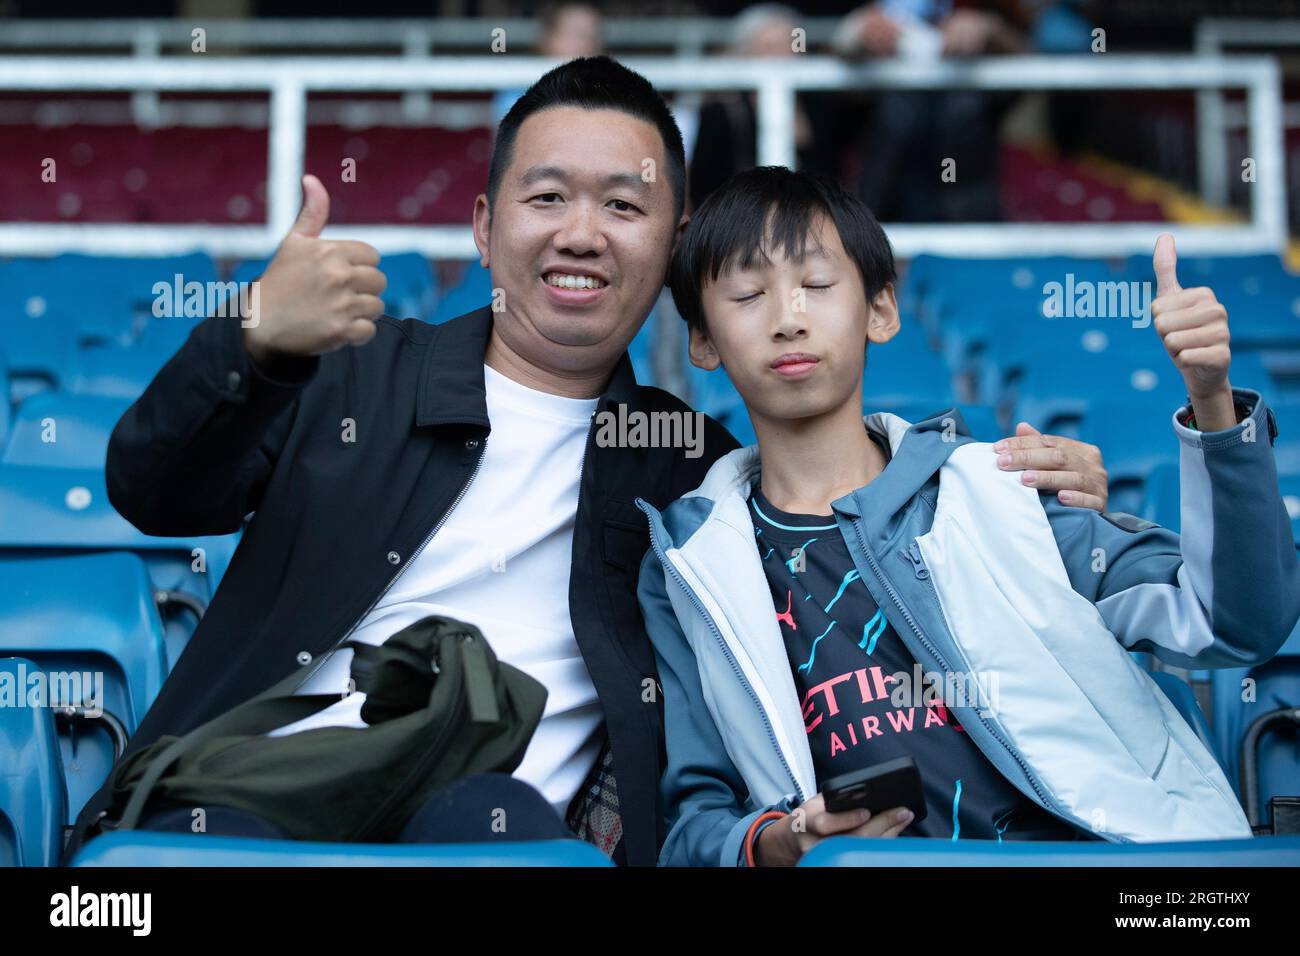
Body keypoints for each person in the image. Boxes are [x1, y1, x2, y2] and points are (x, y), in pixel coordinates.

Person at [65, 57, 1112, 865]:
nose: (581, 233)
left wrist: (1016, 497)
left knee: (494, 821)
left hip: (498, 828)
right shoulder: (349, 375)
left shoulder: (689, 468)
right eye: (545, 197)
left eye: (623, 205)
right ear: (482, 228)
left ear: (672, 249)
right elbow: (151, 488)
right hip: (261, 799)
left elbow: (848, 536)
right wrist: (255, 335)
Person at [636, 165, 1300, 866]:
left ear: (881, 310)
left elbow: (1234, 621)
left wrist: (1214, 405)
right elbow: (695, 823)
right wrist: (784, 840)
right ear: (702, 342)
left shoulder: (1002, 490)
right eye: (747, 295)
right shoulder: (690, 566)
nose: (788, 318)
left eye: (818, 285)